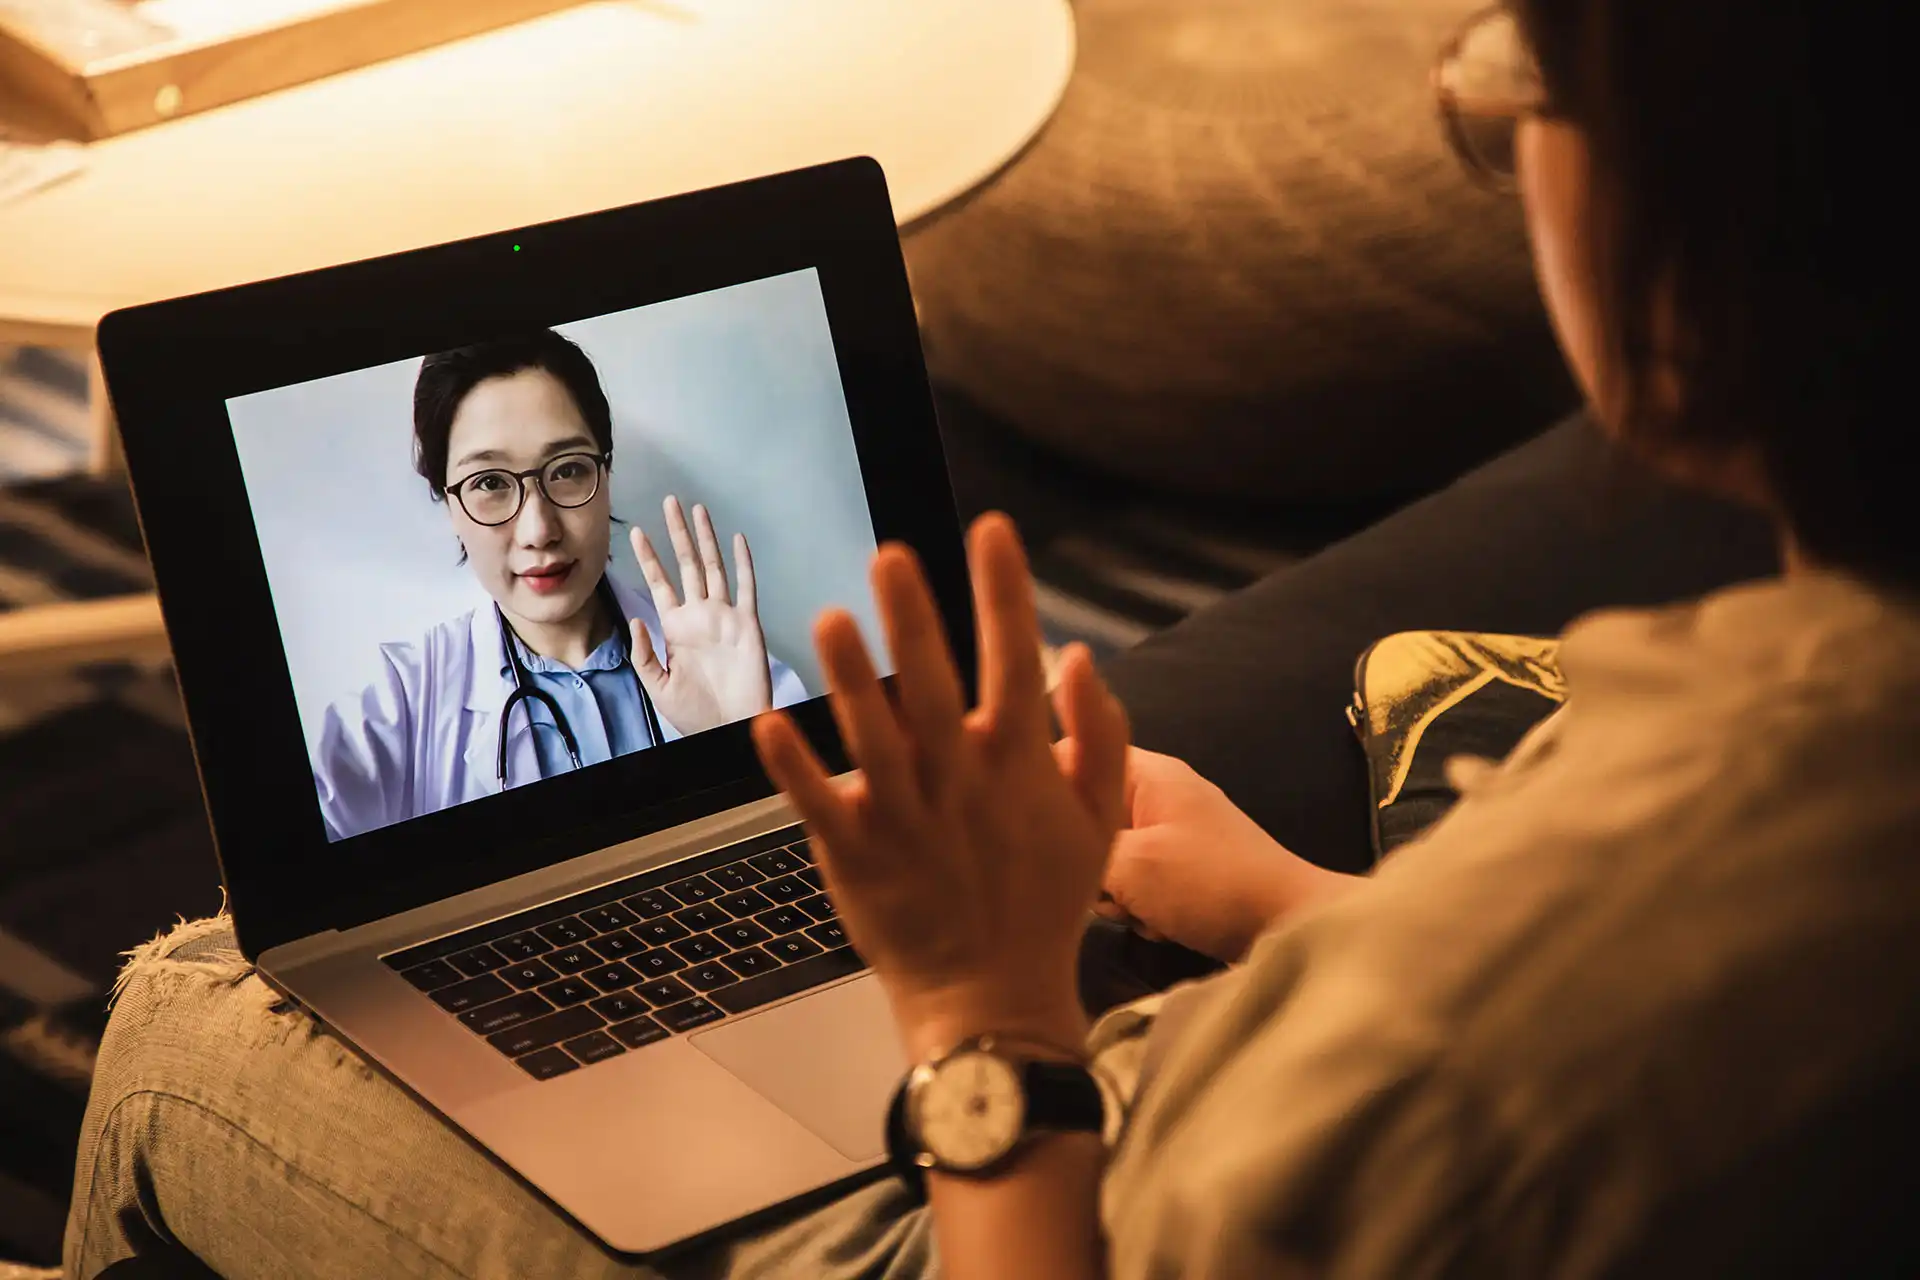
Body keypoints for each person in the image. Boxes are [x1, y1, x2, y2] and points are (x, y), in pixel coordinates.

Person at [66, 0, 1917, 1276]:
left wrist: (981, 1009)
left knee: (176, 1011)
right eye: (485, 492)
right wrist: (1286, 900)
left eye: (1516, 68)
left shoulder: (1505, 1007)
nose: (536, 526)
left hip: (1017, 1175)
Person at [311, 331, 806, 841]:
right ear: (446, 500)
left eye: (568, 470)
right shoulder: (396, 712)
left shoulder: (729, 667)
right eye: (489, 482)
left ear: (606, 471)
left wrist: (742, 742)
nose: (539, 530)